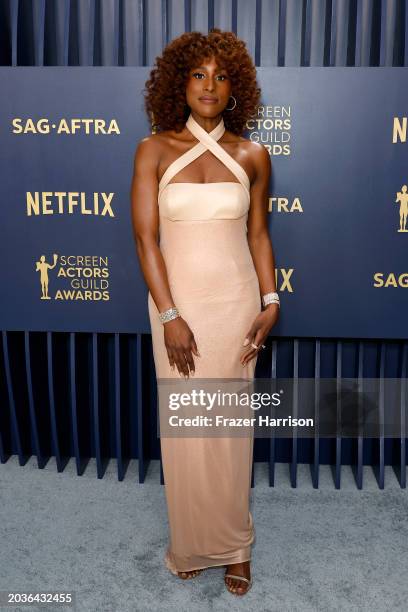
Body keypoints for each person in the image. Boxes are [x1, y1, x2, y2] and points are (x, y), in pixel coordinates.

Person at [130, 28, 279, 596]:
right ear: (179, 84)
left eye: (221, 75)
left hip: (236, 300)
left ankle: (236, 547)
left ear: (234, 85)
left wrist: (270, 300)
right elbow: (146, 239)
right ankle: (191, 541)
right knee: (187, 427)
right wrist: (170, 314)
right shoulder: (154, 150)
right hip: (178, 306)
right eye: (198, 74)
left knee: (229, 428)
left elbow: (260, 235)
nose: (209, 85)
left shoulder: (252, 154)